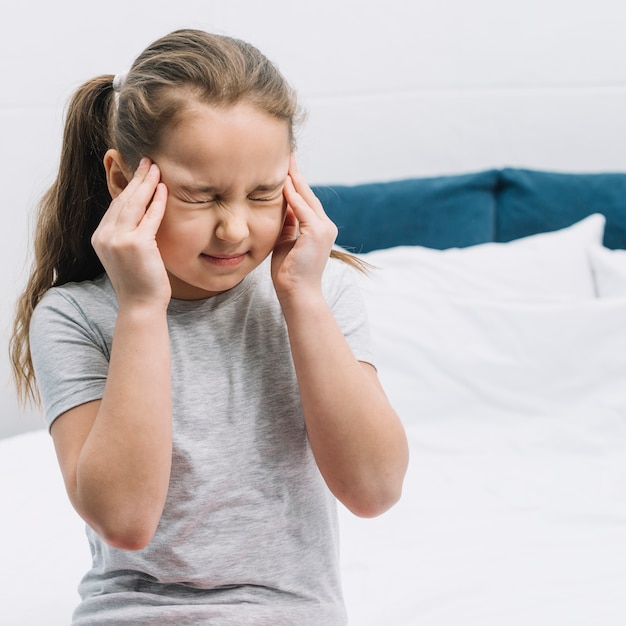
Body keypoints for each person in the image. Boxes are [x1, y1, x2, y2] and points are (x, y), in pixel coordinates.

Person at [10, 28, 408, 625]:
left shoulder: (322, 292)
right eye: (202, 196)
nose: (235, 229)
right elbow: (124, 520)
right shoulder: (75, 316)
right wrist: (143, 308)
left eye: (263, 193)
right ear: (124, 182)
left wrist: (302, 296)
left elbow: (373, 490)